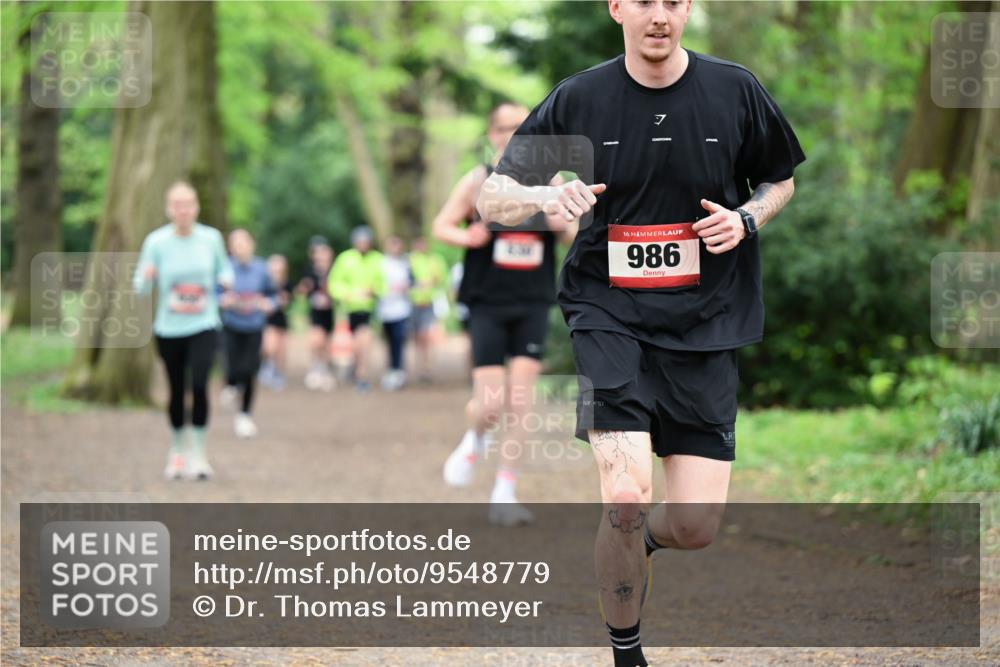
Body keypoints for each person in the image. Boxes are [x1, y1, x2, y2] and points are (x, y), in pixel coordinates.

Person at [477, 2, 806, 665]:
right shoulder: (582, 97)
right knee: (625, 497)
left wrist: (746, 218)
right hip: (608, 313)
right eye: (645, 1)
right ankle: (627, 651)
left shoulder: (734, 89)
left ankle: (640, 542)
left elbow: (780, 179)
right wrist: (545, 197)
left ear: (688, 9)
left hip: (707, 322)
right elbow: (493, 196)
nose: (660, 16)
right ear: (617, 8)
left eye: (674, 1)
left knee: (695, 524)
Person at [434, 102, 576, 527]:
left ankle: (505, 489)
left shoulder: (550, 178)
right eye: (505, 127)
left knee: (520, 400)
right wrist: (469, 237)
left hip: (532, 300)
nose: (514, 134)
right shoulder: (478, 180)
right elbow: (441, 226)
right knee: (491, 403)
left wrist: (556, 214)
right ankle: (475, 436)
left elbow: (571, 233)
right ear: (492, 134)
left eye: (522, 126)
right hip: (487, 301)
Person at [134, 181, 232, 481]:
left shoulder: (210, 238)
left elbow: (225, 270)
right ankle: (177, 450)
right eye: (177, 205)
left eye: (188, 204)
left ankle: (198, 453)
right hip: (169, 328)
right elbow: (139, 286)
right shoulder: (156, 242)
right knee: (176, 389)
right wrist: (147, 277)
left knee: (199, 384)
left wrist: (225, 282)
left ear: (196, 207)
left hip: (204, 323)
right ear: (168, 209)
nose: (183, 210)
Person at [219, 229, 275, 439]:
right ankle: (231, 385)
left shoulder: (262, 269)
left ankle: (245, 415)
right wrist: (222, 300)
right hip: (231, 325)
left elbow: (273, 295)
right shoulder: (224, 268)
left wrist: (268, 304)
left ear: (251, 244)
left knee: (250, 370)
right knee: (232, 365)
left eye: (243, 243)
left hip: (254, 326)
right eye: (235, 244)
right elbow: (214, 292)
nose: (239, 248)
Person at [328, 225, 385, 393]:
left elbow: (385, 283)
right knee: (356, 343)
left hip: (370, 309)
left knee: (364, 340)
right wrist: (349, 294)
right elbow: (334, 283)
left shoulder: (378, 259)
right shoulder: (345, 259)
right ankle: (356, 366)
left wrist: (374, 291)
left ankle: (362, 375)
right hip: (350, 309)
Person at [408, 237, 448, 383]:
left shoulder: (435, 259)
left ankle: (426, 366)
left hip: (429, 303)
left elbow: (442, 278)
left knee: (426, 334)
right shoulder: (410, 260)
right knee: (417, 336)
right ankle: (421, 365)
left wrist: (431, 281)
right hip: (413, 303)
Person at [297, 237, 335, 392]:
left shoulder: (333, 270)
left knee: (326, 342)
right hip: (315, 311)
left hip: (329, 311)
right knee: (315, 340)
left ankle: (325, 369)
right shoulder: (309, 270)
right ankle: (315, 367)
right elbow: (302, 290)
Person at [378, 235, 412, 391]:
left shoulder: (405, 263)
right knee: (389, 341)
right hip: (385, 310)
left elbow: (412, 281)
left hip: (401, 310)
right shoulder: (381, 263)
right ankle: (391, 369)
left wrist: (406, 287)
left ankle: (398, 370)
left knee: (399, 339)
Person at [260, 254, 292, 390]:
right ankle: (267, 367)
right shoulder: (264, 282)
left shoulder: (286, 283)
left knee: (281, 348)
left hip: (280, 318)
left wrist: (279, 302)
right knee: (269, 346)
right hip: (267, 319)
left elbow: (287, 301)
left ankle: (278, 372)